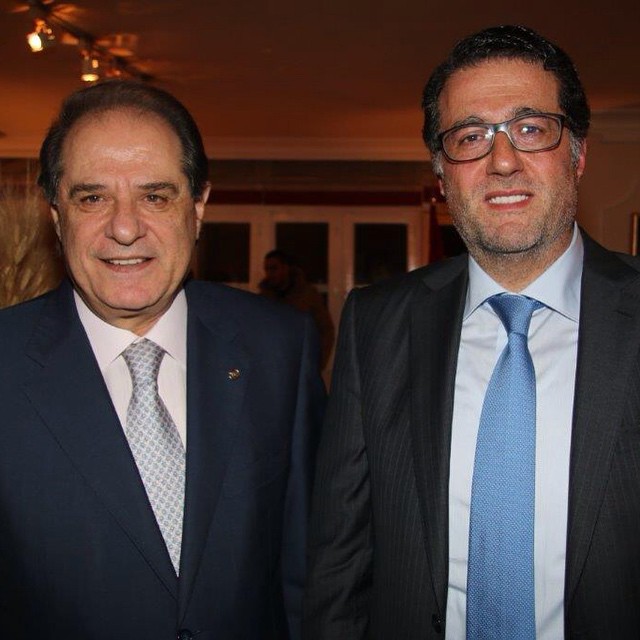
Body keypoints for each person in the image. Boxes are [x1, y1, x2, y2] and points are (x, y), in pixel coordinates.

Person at [303, 25, 640, 639]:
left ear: (578, 154)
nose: (502, 161)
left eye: (530, 129)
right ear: (441, 175)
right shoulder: (375, 323)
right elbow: (339, 559)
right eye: (470, 137)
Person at [0, 80, 326, 640]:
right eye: (92, 198)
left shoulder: (278, 346)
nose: (125, 228)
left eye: (155, 196)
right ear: (55, 214)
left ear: (197, 207)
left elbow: (307, 569)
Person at [259, 250, 335, 370]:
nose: (269, 273)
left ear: (286, 268)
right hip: (271, 364)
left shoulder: (307, 296)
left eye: (274, 268)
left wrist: (317, 364)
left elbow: (326, 330)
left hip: (299, 364)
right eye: (267, 269)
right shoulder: (264, 298)